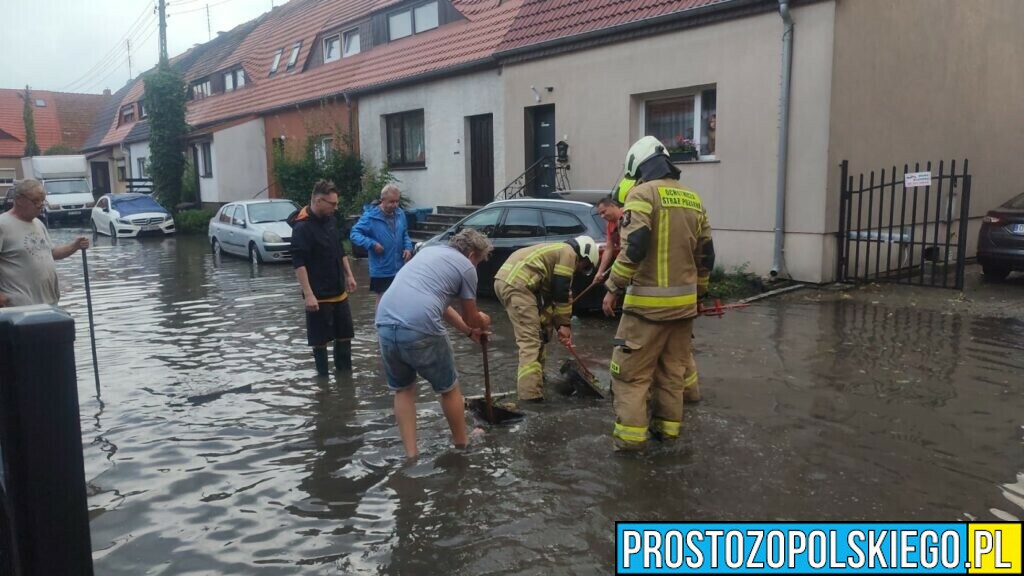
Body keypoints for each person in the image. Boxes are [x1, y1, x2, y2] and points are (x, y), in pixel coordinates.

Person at [602, 136, 715, 451]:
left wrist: (613, 287)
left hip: (646, 311)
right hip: (683, 311)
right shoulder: (693, 198)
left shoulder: (642, 193)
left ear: (638, 167)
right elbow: (707, 255)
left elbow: (634, 246)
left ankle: (629, 448)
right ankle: (668, 438)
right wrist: (699, 294)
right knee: (671, 375)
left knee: (629, 377)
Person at [376, 229, 493, 458]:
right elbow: (471, 316)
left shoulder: (428, 252)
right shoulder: (466, 266)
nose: (477, 266)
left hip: (385, 323)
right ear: (472, 255)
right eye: (479, 261)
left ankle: (411, 456)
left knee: (403, 390)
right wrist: (482, 320)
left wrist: (469, 332)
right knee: (449, 389)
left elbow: (440, 304)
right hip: (420, 326)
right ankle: (463, 446)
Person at [493, 236, 599, 402]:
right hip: (518, 285)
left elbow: (550, 302)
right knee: (530, 342)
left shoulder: (555, 254)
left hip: (509, 282)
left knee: (540, 333)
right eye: (584, 266)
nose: (579, 270)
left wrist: (554, 328)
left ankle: (538, 379)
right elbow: (561, 292)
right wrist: (564, 325)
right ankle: (530, 396)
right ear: (585, 254)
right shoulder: (569, 253)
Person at [289, 179, 358, 376]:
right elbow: (299, 262)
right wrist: (308, 294)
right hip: (318, 296)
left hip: (339, 291)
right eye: (332, 204)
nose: (335, 208)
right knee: (320, 342)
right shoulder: (302, 228)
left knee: (345, 337)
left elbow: (339, 250)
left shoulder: (331, 221)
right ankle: (323, 385)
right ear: (318, 201)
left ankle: (345, 384)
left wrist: (350, 275)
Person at [0, 179, 89, 308]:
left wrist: (74, 246)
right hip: (19, 308)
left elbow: (52, 253)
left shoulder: (38, 223)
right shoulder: (3, 224)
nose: (41, 205)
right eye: (36, 201)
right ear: (19, 200)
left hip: (49, 305)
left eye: (43, 200)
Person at [349, 184, 413, 306]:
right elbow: (354, 234)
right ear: (382, 200)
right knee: (383, 299)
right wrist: (372, 244)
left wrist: (408, 248)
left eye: (397, 202)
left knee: (400, 298)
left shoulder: (400, 214)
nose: (395, 205)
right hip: (382, 268)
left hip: (399, 266)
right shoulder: (370, 217)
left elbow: (405, 233)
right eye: (391, 202)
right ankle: (379, 324)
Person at [592, 193, 627, 286]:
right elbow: (609, 249)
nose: (602, 216)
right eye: (600, 214)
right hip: (622, 263)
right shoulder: (610, 226)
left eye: (604, 212)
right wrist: (600, 272)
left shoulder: (628, 215)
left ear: (612, 206)